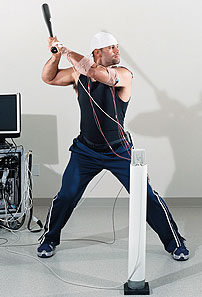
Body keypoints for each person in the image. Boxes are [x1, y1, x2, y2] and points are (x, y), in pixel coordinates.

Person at [37, 31, 189, 261]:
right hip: (85, 150)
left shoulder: (123, 74)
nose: (117, 51)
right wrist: (56, 54)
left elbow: (97, 73)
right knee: (66, 196)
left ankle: (175, 243)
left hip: (119, 150)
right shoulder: (78, 74)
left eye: (117, 46)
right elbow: (48, 77)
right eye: (111, 47)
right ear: (97, 52)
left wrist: (67, 51)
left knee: (146, 196)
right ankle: (49, 240)